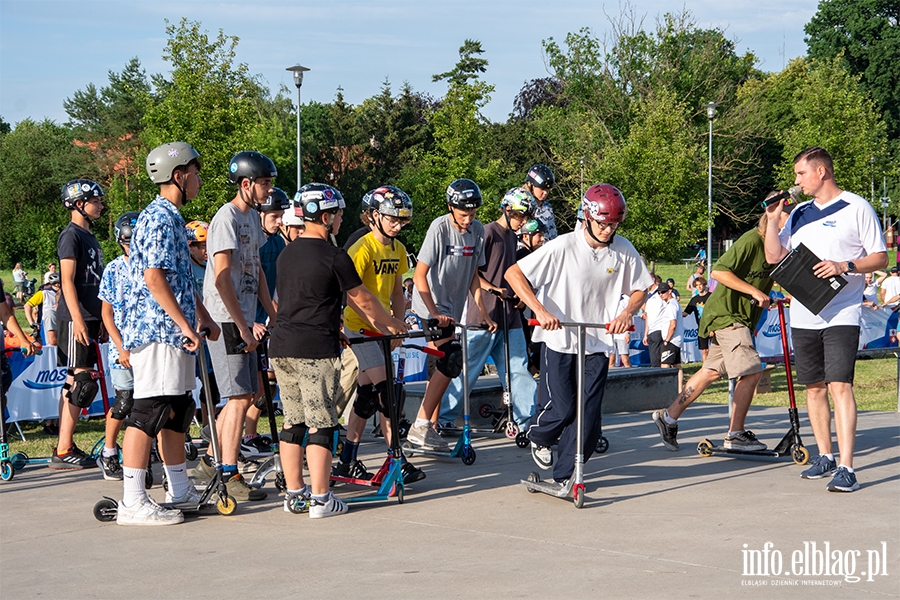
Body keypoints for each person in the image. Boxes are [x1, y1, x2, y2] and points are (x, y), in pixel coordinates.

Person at [269, 182, 407, 518]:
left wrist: (336, 330)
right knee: (322, 424)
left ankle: (294, 494)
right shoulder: (335, 256)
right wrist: (393, 324)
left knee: (294, 423)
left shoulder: (287, 252)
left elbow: (295, 301)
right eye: (338, 214)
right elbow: (361, 300)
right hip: (314, 349)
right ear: (325, 216)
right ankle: (320, 499)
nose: (342, 219)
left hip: (282, 346)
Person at [506, 183, 652, 485]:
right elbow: (514, 274)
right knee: (562, 408)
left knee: (587, 418)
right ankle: (538, 435)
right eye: (602, 223)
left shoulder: (623, 250)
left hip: (597, 342)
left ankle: (567, 475)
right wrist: (540, 311)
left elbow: (641, 289)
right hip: (560, 340)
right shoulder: (563, 247)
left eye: (614, 224)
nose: (608, 230)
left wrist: (627, 313)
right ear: (587, 216)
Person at [764, 146, 888, 493]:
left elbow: (880, 256)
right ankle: (826, 456)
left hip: (842, 311)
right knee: (814, 387)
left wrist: (844, 265)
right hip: (803, 312)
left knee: (839, 385)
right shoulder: (800, 212)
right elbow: (775, 257)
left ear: (821, 172)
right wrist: (774, 220)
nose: (796, 181)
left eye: (801, 174)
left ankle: (847, 467)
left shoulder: (857, 207)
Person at [118, 141, 219, 525]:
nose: (198, 179)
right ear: (179, 176)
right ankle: (132, 501)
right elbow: (154, 278)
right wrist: (183, 324)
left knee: (177, 410)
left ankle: (179, 490)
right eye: (195, 172)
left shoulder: (173, 218)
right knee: (149, 411)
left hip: (174, 330)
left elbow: (179, 281)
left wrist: (203, 316)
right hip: (158, 331)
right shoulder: (158, 219)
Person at [652, 205, 790, 453]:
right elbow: (718, 271)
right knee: (752, 371)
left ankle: (669, 417)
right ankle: (735, 434)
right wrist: (754, 291)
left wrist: (772, 295)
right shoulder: (751, 240)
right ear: (772, 219)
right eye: (787, 219)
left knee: (711, 371)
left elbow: (760, 279)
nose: (790, 226)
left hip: (732, 316)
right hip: (727, 315)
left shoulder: (776, 250)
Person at [193, 151, 277, 502]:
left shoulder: (253, 220)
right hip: (226, 318)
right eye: (264, 183)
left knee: (243, 396)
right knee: (239, 397)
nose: (269, 190)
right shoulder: (225, 218)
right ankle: (227, 471)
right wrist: (242, 325)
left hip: (243, 316)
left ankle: (214, 460)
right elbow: (223, 278)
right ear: (246, 184)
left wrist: (272, 310)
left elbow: (255, 268)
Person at [338, 185, 425, 484]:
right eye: (392, 219)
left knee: (366, 395)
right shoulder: (360, 248)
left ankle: (348, 458)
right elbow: (352, 295)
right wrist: (384, 323)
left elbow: (398, 291)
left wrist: (398, 323)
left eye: (402, 221)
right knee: (389, 392)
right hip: (360, 328)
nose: (398, 225)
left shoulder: (398, 249)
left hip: (383, 328)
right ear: (374, 216)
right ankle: (395, 457)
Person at [439, 186, 538, 431]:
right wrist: (494, 289)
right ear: (506, 210)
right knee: (468, 371)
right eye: (518, 216)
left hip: (509, 317)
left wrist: (518, 295)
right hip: (483, 317)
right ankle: (442, 419)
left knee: (519, 371)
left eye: (525, 218)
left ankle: (527, 422)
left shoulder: (513, 238)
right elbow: (471, 272)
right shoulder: (488, 233)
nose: (522, 222)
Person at [408, 179, 495, 451]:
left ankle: (429, 428)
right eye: (462, 214)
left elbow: (473, 278)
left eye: (472, 213)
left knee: (445, 367)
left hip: (452, 311)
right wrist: (434, 312)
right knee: (450, 360)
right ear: (450, 207)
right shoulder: (440, 227)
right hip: (429, 306)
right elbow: (420, 274)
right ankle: (421, 425)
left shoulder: (478, 231)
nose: (468, 219)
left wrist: (484, 313)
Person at [50, 179, 105, 470]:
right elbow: (66, 281)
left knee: (73, 381)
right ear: (79, 204)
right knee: (82, 384)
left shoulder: (90, 236)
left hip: (91, 316)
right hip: (75, 317)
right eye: (95, 200)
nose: (100, 205)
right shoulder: (70, 236)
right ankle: (63, 449)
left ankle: (64, 443)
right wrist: (79, 319)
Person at [242, 187, 290, 456]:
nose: (280, 221)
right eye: (274, 215)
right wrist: (253, 320)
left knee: (267, 386)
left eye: (281, 215)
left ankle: (250, 434)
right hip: (250, 320)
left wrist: (280, 314)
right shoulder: (253, 241)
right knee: (249, 389)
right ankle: (231, 434)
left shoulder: (278, 242)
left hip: (268, 319)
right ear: (260, 214)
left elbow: (279, 283)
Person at [95, 212, 139, 480]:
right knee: (124, 403)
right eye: (128, 243)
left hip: (148, 346)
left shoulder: (152, 266)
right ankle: (109, 452)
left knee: (150, 405)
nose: (132, 248)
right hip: (122, 348)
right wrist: (121, 347)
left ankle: (145, 455)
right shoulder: (113, 269)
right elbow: (106, 314)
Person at [643, 282, 682, 370]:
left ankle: (660, 382)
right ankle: (679, 384)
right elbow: (647, 316)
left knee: (663, 364)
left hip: (665, 336)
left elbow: (673, 324)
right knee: (676, 365)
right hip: (654, 332)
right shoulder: (651, 298)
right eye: (659, 292)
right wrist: (646, 333)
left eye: (663, 292)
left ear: (669, 291)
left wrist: (667, 340)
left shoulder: (670, 304)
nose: (661, 294)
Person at [523, 164, 558, 241]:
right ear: (531, 186)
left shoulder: (547, 208)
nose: (545, 192)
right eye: (542, 188)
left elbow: (553, 236)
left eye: (548, 189)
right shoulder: (521, 206)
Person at [683, 276, 712, 362]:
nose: (699, 287)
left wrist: (713, 329)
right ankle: (705, 369)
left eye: (700, 284)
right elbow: (685, 313)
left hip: (712, 327)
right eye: (697, 285)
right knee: (704, 350)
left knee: (715, 351)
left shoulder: (711, 297)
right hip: (701, 329)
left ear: (704, 285)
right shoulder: (694, 300)